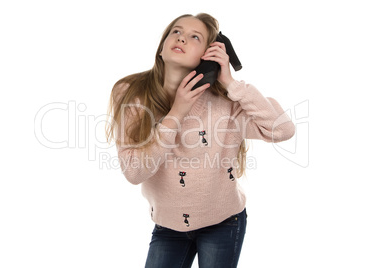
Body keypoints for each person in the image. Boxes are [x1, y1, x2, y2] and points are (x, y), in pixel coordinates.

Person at [106, 13, 295, 268]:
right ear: (161, 48)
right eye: (176, 31)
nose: (182, 37)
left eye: (195, 37)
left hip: (223, 222)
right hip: (168, 224)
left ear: (208, 55)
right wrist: (177, 113)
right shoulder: (130, 93)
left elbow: (282, 130)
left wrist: (231, 82)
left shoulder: (226, 102)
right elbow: (134, 172)